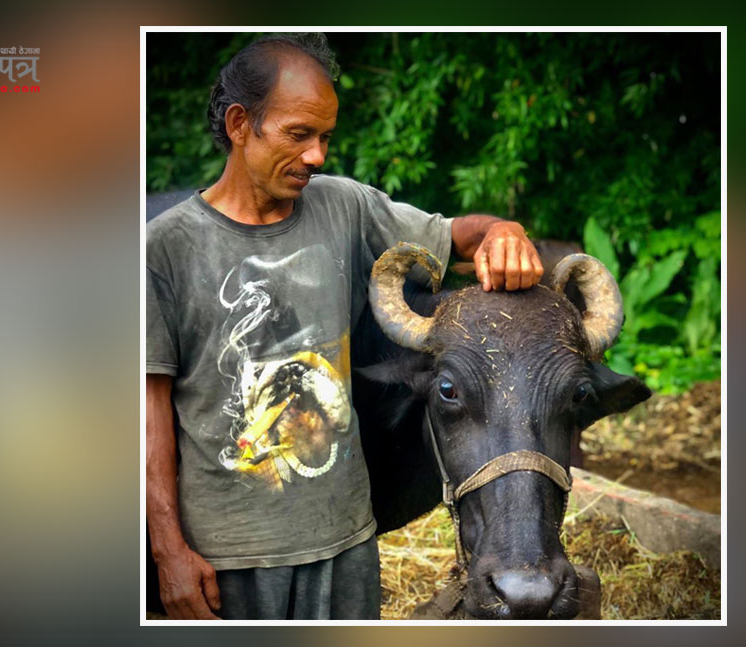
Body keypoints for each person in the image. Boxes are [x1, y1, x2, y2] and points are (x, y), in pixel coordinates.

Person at [145, 33, 544, 620]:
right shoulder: (165, 248)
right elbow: (147, 415)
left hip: (347, 543)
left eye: (325, 137)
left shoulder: (346, 208)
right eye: (298, 134)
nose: (317, 157)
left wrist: (503, 231)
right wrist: (168, 552)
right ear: (238, 124)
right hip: (228, 557)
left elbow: (462, 234)